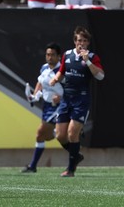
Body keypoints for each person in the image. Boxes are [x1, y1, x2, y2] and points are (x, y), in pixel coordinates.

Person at [49, 26, 105, 177]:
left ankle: (71, 169)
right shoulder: (67, 55)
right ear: (75, 41)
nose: (81, 43)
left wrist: (87, 61)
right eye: (79, 40)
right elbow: (62, 71)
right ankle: (76, 155)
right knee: (60, 136)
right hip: (66, 99)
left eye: (85, 41)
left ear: (88, 43)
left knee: (72, 133)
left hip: (81, 99)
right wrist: (56, 78)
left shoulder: (92, 57)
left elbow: (100, 76)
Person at [21, 42, 63, 173]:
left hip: (58, 106)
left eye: (53, 55)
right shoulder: (44, 68)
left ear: (59, 57)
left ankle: (33, 166)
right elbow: (40, 82)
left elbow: (72, 89)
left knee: (40, 133)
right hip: (46, 106)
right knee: (44, 137)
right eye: (48, 55)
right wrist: (34, 95)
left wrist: (61, 98)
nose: (50, 57)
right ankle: (63, 131)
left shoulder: (62, 71)